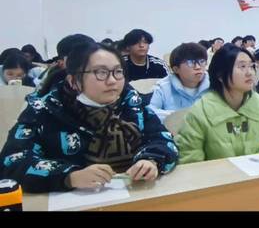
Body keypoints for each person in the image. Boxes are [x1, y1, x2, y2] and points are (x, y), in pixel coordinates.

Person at [0, 42, 178, 193]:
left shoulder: (132, 102)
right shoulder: (44, 110)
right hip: (73, 199)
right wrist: (69, 176)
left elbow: (162, 138)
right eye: (101, 73)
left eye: (118, 72)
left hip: (136, 193)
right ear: (73, 81)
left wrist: (151, 160)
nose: (112, 81)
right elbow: (12, 162)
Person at [175, 44, 259, 164]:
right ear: (220, 75)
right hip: (217, 175)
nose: (250, 73)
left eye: (252, 66)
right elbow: (190, 160)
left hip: (258, 173)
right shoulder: (200, 111)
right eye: (242, 66)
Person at [148, 43, 210, 121]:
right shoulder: (163, 87)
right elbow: (150, 112)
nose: (198, 67)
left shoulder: (215, 84)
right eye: (190, 63)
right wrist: (181, 116)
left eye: (202, 61)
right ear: (176, 69)